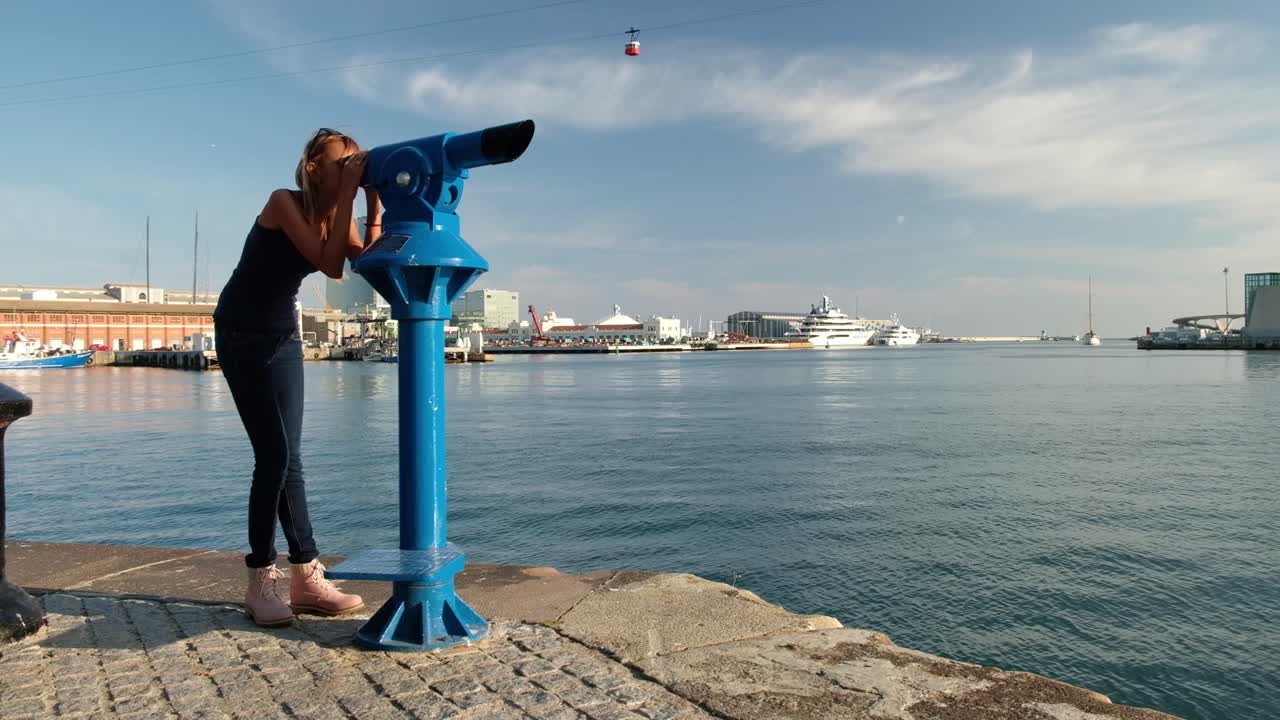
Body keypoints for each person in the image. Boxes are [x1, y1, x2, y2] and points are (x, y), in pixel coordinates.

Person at [214, 128, 381, 627]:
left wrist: (373, 203)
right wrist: (354, 190)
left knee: (293, 460)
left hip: (283, 337)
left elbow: (367, 260)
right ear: (313, 165)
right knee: (274, 456)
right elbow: (331, 267)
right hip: (242, 332)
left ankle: (306, 578)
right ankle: (259, 581)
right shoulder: (282, 202)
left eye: (356, 162)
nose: (349, 168)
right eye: (341, 162)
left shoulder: (336, 214)